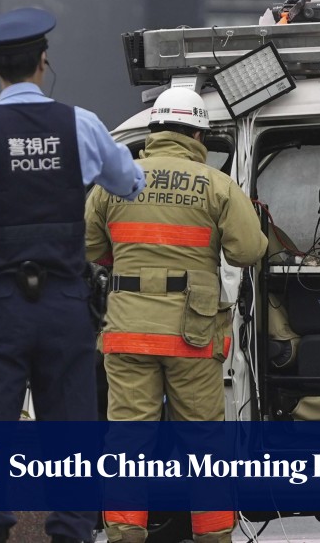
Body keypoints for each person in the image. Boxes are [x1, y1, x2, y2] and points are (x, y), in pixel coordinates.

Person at [0, 7, 145, 543]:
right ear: (43, 63)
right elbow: (129, 183)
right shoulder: (81, 124)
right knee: (71, 428)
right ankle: (72, 533)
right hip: (65, 306)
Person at [84, 87, 267, 543]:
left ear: (153, 130)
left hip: (127, 333)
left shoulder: (113, 180)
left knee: (127, 443)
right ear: (196, 134)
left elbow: (87, 248)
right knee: (204, 445)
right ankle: (212, 537)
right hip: (191, 333)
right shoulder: (216, 184)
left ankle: (125, 534)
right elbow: (247, 250)